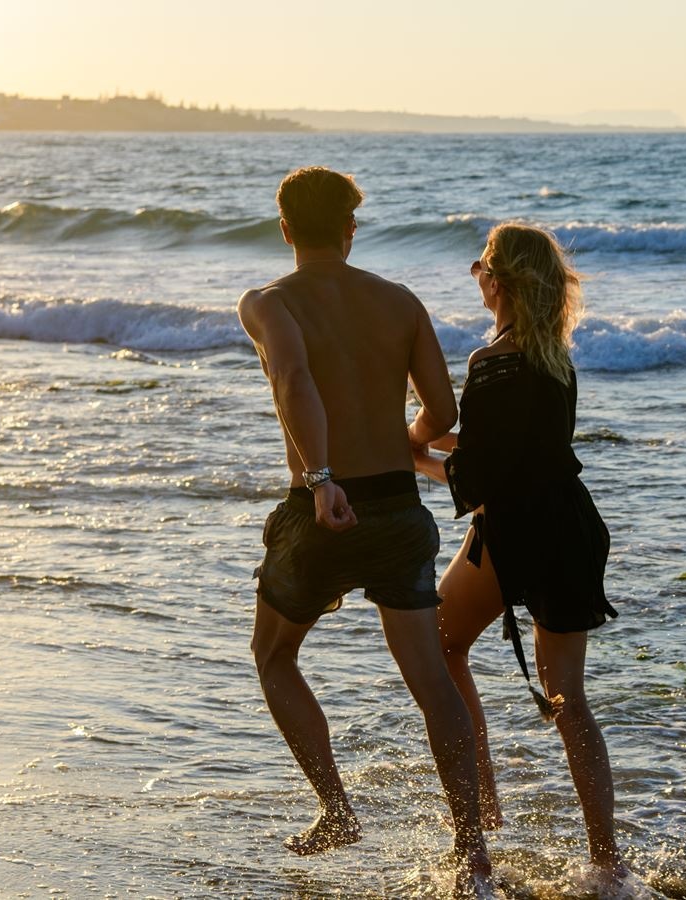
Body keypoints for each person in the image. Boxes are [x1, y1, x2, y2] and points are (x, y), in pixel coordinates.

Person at [238, 166, 492, 893]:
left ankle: (337, 808)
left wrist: (322, 480)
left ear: (285, 228)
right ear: (352, 229)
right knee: (432, 681)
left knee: (274, 656)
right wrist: (400, 439)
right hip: (398, 511)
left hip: (319, 508)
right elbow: (444, 414)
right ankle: (471, 851)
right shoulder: (401, 302)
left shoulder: (266, 303)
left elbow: (294, 379)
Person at [411, 223, 630, 886]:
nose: (474, 275)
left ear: (500, 280)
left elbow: (479, 477)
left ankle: (481, 815)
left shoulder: (490, 362)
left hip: (515, 531)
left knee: (440, 644)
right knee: (570, 700)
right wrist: (431, 444)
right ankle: (607, 865)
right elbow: (512, 449)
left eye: (480, 265)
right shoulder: (553, 358)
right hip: (569, 527)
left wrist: (410, 456)